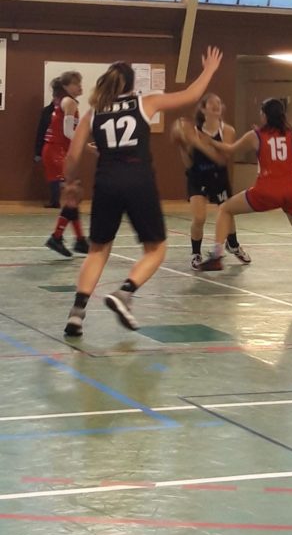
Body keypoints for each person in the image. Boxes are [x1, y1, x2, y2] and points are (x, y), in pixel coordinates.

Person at [62, 47, 222, 338]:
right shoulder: (145, 102)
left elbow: (72, 157)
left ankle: (76, 313)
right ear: (132, 84)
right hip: (139, 181)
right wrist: (209, 69)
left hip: (106, 182)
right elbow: (190, 95)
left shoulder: (93, 113)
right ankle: (125, 293)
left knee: (97, 250)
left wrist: (70, 183)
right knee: (156, 248)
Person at [195, 97, 292, 279]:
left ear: (265, 115)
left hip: (267, 189)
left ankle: (217, 256)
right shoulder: (291, 135)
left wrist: (210, 141)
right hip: (291, 190)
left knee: (225, 209)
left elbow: (230, 149)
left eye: (261, 112)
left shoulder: (255, 135)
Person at [176, 92, 251, 269]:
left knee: (228, 213)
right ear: (203, 109)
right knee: (199, 217)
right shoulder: (193, 132)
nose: (216, 105)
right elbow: (188, 163)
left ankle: (233, 245)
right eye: (211, 103)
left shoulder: (227, 131)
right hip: (197, 177)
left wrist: (202, 142)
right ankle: (196, 253)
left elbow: (223, 159)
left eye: (219, 102)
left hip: (218, 177)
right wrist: (182, 145)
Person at [43, 72, 89, 256]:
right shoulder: (69, 102)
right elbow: (68, 132)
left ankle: (79, 240)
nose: (80, 86)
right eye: (76, 83)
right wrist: (87, 145)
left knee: (73, 196)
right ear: (66, 86)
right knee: (72, 194)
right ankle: (57, 237)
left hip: (58, 150)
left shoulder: (64, 101)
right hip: (57, 151)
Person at [34, 88, 58, 206]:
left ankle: (64, 200)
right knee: (53, 174)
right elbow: (41, 131)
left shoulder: (68, 109)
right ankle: (55, 200)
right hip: (50, 146)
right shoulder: (47, 111)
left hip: (62, 146)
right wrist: (38, 152)